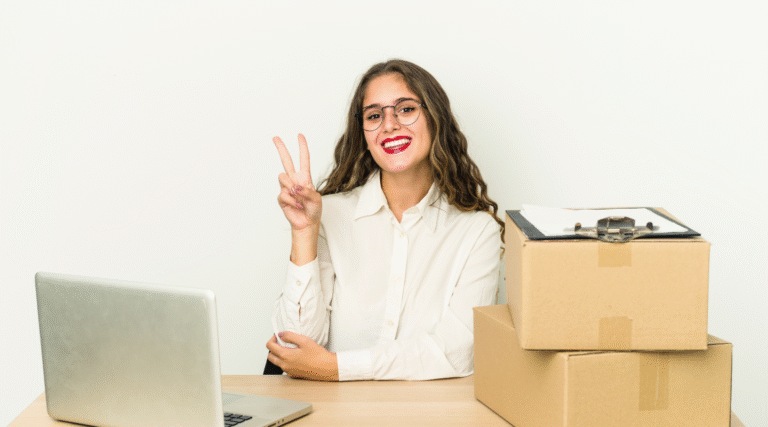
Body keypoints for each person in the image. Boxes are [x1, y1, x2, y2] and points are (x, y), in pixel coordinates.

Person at [266, 59, 504, 381]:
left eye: (405, 109)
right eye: (375, 115)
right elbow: (293, 350)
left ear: (436, 119)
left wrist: (336, 367)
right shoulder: (328, 215)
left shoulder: (478, 233)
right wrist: (305, 232)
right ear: (363, 134)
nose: (389, 124)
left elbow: (455, 352)